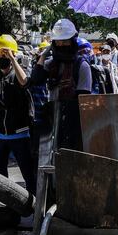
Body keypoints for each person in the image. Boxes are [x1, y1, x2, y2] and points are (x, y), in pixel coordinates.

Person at [0, 35, 35, 189]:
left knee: (28, 174)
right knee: (0, 178)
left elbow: (24, 82)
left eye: (3, 54)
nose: (0, 57)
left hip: (20, 133)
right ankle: (6, 209)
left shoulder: (19, 74)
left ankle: (34, 207)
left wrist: (12, 58)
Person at [31, 20, 91, 151]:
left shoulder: (82, 65)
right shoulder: (51, 64)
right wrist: (43, 55)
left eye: (65, 41)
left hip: (74, 124)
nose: (61, 45)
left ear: (73, 41)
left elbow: (84, 99)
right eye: (58, 42)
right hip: (52, 120)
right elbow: (35, 79)